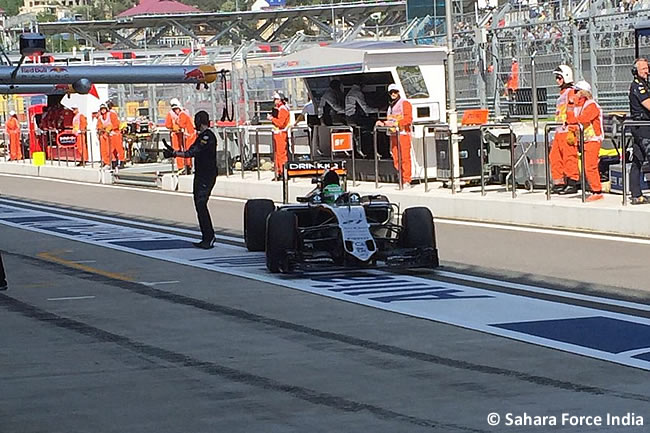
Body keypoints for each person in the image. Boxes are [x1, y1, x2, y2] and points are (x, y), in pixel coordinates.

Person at [163, 110, 218, 249]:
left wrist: (175, 153)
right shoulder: (201, 136)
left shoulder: (207, 137)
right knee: (199, 205)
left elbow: (194, 152)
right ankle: (206, 236)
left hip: (207, 174)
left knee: (201, 203)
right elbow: (190, 151)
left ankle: (209, 237)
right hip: (200, 173)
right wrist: (175, 153)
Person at [566, 81, 604, 202]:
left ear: (583, 93)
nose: (574, 93)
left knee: (590, 167)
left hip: (593, 140)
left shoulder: (591, 105)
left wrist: (571, 123)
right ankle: (593, 189)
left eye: (576, 91)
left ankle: (597, 191)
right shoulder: (578, 106)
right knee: (587, 167)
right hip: (584, 140)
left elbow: (583, 119)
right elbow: (570, 118)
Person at [550, 65, 580, 194]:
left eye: (559, 78)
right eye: (557, 78)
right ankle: (559, 182)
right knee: (554, 156)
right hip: (559, 130)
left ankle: (572, 182)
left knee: (569, 156)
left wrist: (573, 127)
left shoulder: (571, 92)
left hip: (568, 129)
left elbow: (575, 110)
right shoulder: (562, 94)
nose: (557, 80)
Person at [376, 84, 413, 188]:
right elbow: (390, 120)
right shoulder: (390, 106)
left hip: (403, 134)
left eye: (395, 92)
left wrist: (397, 124)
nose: (393, 94)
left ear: (399, 92)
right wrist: (383, 123)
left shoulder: (404, 103)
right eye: (391, 92)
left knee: (405, 157)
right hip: (393, 134)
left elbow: (408, 119)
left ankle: (407, 180)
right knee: (396, 157)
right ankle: (401, 178)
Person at [628, 58, 650, 205]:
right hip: (642, 127)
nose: (647, 71)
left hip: (642, 127)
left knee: (637, 160)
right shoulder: (638, 86)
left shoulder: (645, 84)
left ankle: (636, 195)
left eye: (647, 68)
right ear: (636, 71)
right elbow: (648, 104)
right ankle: (636, 195)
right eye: (643, 69)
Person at [165, 98, 195, 175]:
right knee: (181, 151)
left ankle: (185, 167)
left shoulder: (176, 114)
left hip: (182, 134)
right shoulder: (185, 112)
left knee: (182, 150)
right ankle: (184, 167)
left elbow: (169, 125)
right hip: (181, 133)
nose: (175, 111)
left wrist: (176, 124)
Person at [268, 92, 290, 178]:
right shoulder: (280, 109)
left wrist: (272, 118)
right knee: (277, 154)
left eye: (276, 99)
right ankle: (279, 172)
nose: (274, 101)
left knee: (281, 154)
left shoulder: (283, 109)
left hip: (281, 133)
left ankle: (283, 173)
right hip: (278, 133)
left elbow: (280, 123)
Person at [107, 102, 125, 168]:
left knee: (118, 149)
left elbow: (115, 124)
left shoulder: (112, 113)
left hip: (115, 133)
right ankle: (115, 162)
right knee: (112, 149)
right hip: (112, 133)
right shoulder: (110, 113)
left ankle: (121, 162)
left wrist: (109, 129)